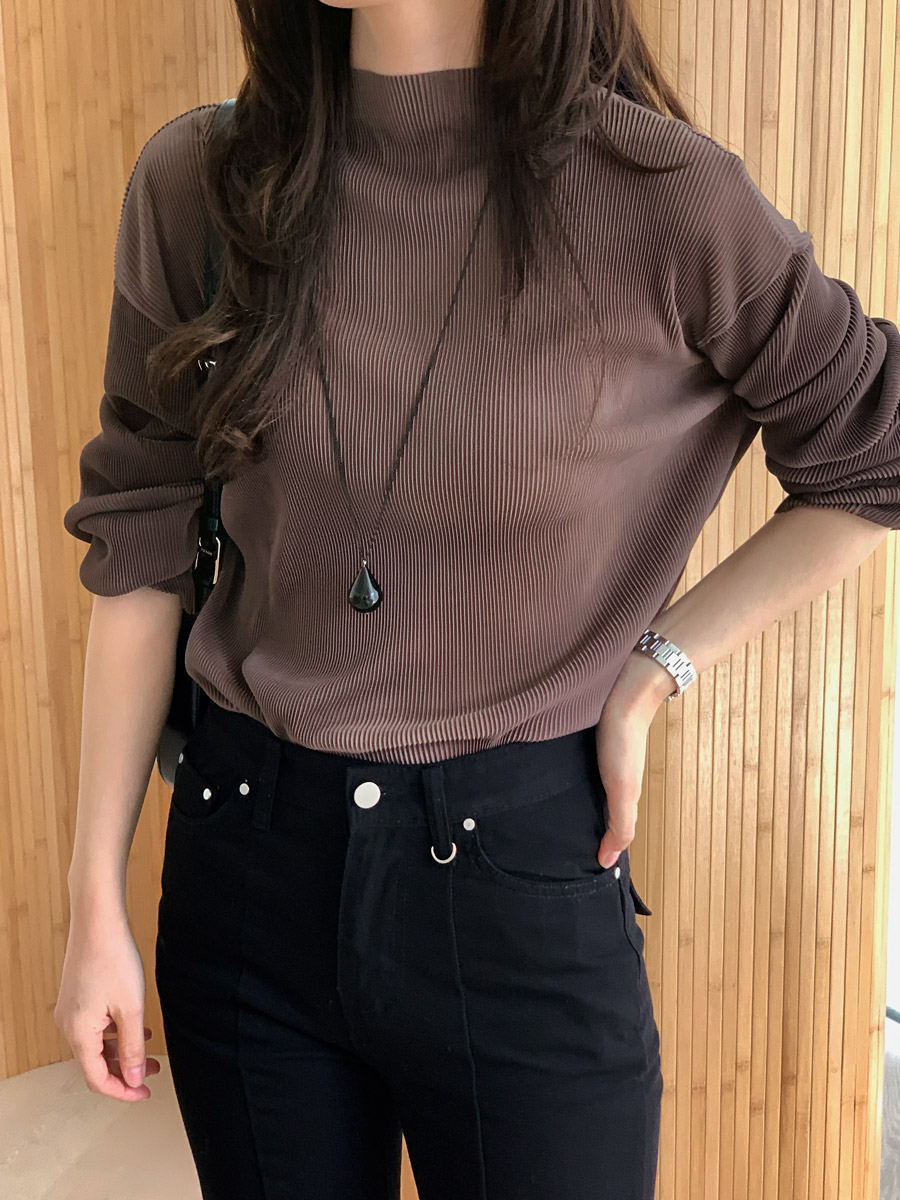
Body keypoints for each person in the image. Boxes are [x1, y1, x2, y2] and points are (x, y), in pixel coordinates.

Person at [56, 0, 900, 1197]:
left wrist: (657, 668)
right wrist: (92, 896)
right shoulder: (202, 183)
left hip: (519, 887)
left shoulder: (663, 198)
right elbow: (138, 534)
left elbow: (876, 458)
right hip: (243, 865)